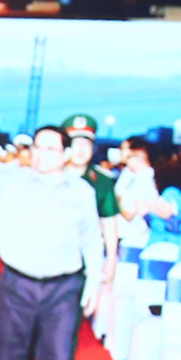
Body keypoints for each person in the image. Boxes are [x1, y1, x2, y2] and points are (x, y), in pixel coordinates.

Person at [0, 107, 104, 360]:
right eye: (38, 147)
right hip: (17, 286)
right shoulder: (11, 180)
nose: (42, 154)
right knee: (9, 358)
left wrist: (94, 282)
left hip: (63, 290)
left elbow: (92, 238)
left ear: (66, 154)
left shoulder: (83, 192)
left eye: (51, 149)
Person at [64, 115, 120, 290]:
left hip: (86, 259)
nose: (80, 149)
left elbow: (109, 223)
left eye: (86, 144)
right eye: (75, 144)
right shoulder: (52, 176)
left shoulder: (103, 181)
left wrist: (111, 259)